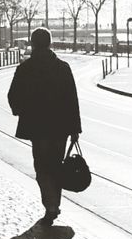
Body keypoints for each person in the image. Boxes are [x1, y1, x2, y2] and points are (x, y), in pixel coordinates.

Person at [7, 27, 82, 225]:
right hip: (60, 126)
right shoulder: (62, 67)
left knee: (41, 166)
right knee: (56, 165)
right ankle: (54, 203)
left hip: (37, 126)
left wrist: (21, 111)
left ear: (32, 44)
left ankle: (49, 203)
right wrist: (75, 129)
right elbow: (71, 100)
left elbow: (13, 96)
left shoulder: (25, 68)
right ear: (50, 43)